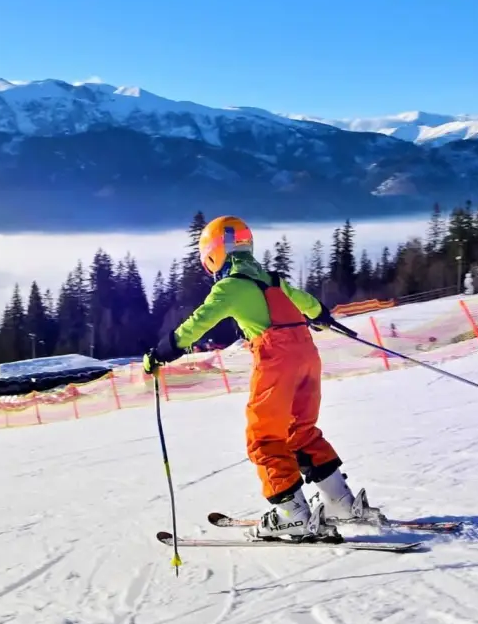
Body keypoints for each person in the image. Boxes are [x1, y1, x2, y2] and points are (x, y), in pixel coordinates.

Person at [143, 215, 378, 541]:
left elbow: (197, 324)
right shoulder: (275, 281)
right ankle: (341, 503)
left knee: (264, 438)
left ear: (214, 253)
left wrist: (160, 353)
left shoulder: (231, 286)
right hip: (308, 360)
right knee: (301, 432)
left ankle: (291, 515)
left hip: (276, 364)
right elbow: (310, 306)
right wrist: (322, 317)